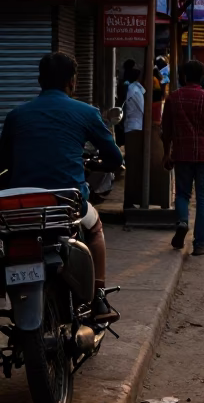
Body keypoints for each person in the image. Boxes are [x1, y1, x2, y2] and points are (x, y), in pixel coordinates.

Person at [0, 52, 123, 323]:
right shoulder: (85, 112)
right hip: (66, 203)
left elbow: (4, 161)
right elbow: (115, 158)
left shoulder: (17, 115)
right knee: (95, 229)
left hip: (21, 204)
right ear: (72, 81)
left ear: (40, 81)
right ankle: (99, 296)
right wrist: (97, 166)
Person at [162, 58, 204, 256]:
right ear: (203, 77)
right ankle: (200, 245)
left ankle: (182, 222)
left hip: (182, 154)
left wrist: (166, 153)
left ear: (184, 76)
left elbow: (166, 129)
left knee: (182, 194)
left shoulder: (173, 98)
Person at [122, 66, 145, 207]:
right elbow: (144, 110)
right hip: (134, 128)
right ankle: (129, 201)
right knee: (133, 168)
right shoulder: (134, 90)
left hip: (133, 127)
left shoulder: (133, 89)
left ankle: (131, 200)